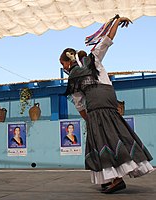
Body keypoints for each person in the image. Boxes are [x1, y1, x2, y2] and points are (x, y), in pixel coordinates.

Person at [59, 16, 154, 194]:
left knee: (103, 142)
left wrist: (89, 119)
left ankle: (115, 180)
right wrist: (116, 22)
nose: (63, 66)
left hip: (97, 108)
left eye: (62, 63)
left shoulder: (74, 76)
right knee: (115, 138)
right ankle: (114, 178)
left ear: (67, 61)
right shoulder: (93, 59)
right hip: (109, 103)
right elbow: (107, 40)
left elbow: (79, 104)